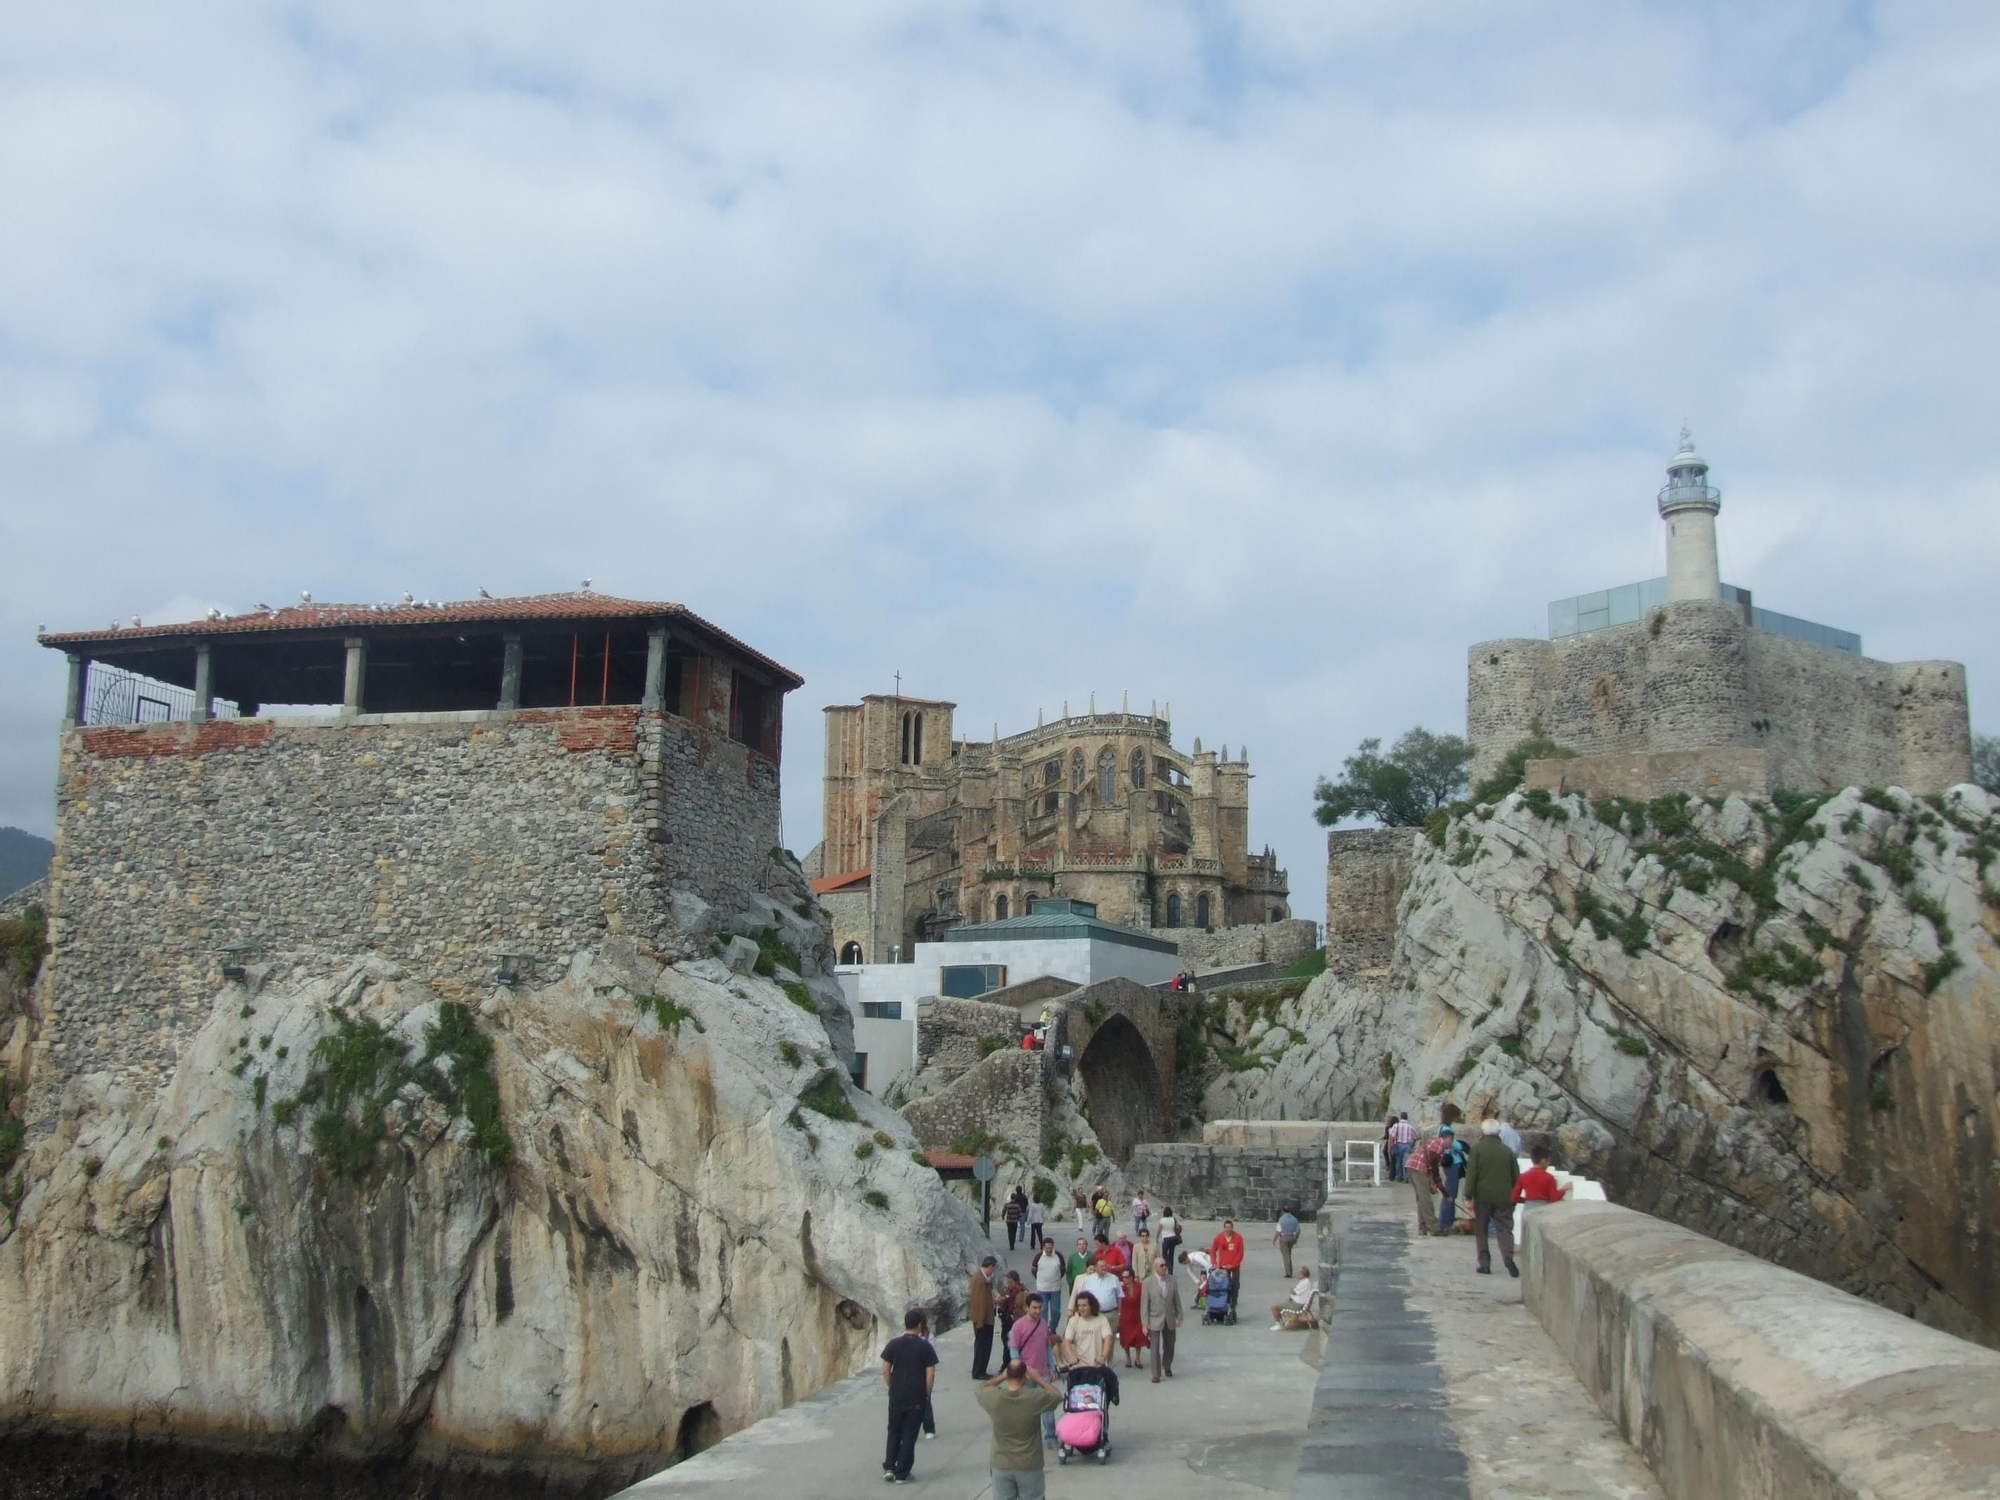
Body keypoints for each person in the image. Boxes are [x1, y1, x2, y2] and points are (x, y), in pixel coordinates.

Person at [976, 1355, 1065, 1499]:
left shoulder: (995, 1398)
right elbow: (1057, 1396)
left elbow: (980, 1389)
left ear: (1008, 1374)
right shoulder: (1033, 1398)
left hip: (1001, 1463)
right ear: (1025, 1376)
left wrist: (1001, 1377)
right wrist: (1039, 1378)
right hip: (1029, 1464)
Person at [881, 1307, 938, 1484]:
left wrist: (893, 1386)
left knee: (894, 1432)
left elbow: (885, 1370)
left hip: (897, 1396)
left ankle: (889, 1467)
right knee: (909, 1435)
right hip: (916, 1397)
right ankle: (902, 1473)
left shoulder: (893, 1344)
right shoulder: (925, 1347)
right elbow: (931, 1373)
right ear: (920, 1325)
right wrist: (927, 1393)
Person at [1464, 1118, 1521, 1276]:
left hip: (1482, 1197)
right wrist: (1515, 1196)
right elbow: (1517, 1177)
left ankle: (1485, 1264)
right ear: (1498, 1133)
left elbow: (1471, 1175)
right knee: (1504, 1228)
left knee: (1481, 1230)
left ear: (1483, 1132)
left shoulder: (1477, 1149)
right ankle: (1508, 1258)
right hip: (1504, 1197)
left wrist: (1468, 1196)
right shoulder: (1507, 1151)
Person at [1008, 1293, 1060, 1450]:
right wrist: (1020, 1372)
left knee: (1048, 1409)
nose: (1038, 1311)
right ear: (1026, 1308)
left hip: (1043, 1373)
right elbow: (1014, 1350)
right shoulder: (1018, 1326)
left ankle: (1051, 1436)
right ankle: (1027, 1439)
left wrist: (1052, 1368)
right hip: (1026, 1376)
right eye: (1034, 1308)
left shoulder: (1043, 1324)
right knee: (1027, 1410)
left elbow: (1047, 1347)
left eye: (1040, 1307)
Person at [1513, 1145, 1571, 1263]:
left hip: (1528, 1208)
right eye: (1548, 1161)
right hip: (1543, 1209)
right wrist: (1564, 1189)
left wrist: (1526, 1200)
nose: (1549, 1163)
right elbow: (1554, 1198)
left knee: (1529, 1240)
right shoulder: (1549, 1178)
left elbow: (1513, 1197)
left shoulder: (1523, 1176)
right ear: (1543, 1161)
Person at [1141, 1254, 1182, 1382]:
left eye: (1165, 1265)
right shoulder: (1147, 1282)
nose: (1165, 1267)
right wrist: (1144, 1323)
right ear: (1155, 1268)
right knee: (1154, 1347)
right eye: (1162, 1265)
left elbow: (1177, 1299)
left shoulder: (1172, 1280)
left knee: (1170, 1345)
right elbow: (1144, 1304)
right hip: (1154, 1318)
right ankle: (1156, 1373)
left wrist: (1179, 1315)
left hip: (1169, 1317)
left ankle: (1167, 1365)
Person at [1060, 1290, 1114, 1369]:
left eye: (1084, 1305)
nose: (1081, 1308)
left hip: (1097, 1365)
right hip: (1079, 1366)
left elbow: (1108, 1338)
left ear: (1091, 1306)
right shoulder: (1073, 1321)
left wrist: (1103, 1356)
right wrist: (1072, 1356)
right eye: (1079, 1305)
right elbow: (1067, 1341)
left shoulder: (1101, 1319)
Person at [1209, 1217, 1246, 1313]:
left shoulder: (1238, 1238)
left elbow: (1240, 1253)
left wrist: (1233, 1265)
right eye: (1226, 1227)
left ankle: (1233, 1304)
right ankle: (1222, 1302)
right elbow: (1213, 1250)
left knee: (1235, 1285)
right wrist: (1214, 1263)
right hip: (1223, 1267)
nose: (1228, 1229)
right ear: (1224, 1228)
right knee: (1222, 1285)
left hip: (1234, 1267)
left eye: (1230, 1227)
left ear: (1232, 1228)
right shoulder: (1219, 1238)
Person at [1436, 1125, 1467, 1235]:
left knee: (1451, 1194)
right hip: (1452, 1166)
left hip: (1451, 1166)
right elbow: (1458, 1147)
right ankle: (1445, 1223)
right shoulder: (1446, 1129)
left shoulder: (1441, 1127)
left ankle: (1447, 1221)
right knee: (1450, 1195)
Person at [1115, 1267, 1150, 1367]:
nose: (1124, 1279)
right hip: (1125, 1316)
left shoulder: (1140, 1286)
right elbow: (1118, 1301)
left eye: (1126, 1277)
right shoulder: (1121, 1288)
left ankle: (1138, 1358)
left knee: (1138, 1337)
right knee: (1126, 1338)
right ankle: (1128, 1358)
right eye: (1123, 1277)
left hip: (1137, 1314)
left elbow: (1144, 1299)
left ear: (1132, 1277)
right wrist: (1119, 1313)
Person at [970, 1254, 999, 1376]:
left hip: (984, 1318)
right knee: (982, 1347)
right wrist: (981, 1322)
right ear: (990, 1266)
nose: (994, 1271)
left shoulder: (983, 1278)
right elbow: (979, 1301)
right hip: (983, 1320)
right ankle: (978, 1371)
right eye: (994, 1268)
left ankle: (981, 1369)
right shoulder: (980, 1280)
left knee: (984, 1346)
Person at [1032, 1241, 1066, 1332]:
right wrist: (1040, 1280)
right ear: (1043, 1247)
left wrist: (1057, 1279)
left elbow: (1063, 1269)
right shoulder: (1038, 1257)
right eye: (1047, 1248)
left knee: (1056, 1311)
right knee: (1043, 1310)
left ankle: (1053, 1327)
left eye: (1050, 1248)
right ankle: (1044, 1329)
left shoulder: (1058, 1256)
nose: (1049, 1250)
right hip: (1042, 1289)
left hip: (1055, 1289)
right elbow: (1034, 1270)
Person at [918, 1313, 940, 1441]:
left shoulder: (928, 1337)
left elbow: (933, 1356)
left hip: (924, 1372)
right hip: (911, 1373)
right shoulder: (905, 1337)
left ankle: (929, 1428)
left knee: (925, 1400)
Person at [999, 1269, 1026, 1348]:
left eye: (1011, 1282)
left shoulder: (1022, 1293)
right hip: (1007, 1320)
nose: (1009, 1285)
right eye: (1008, 1282)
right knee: (1005, 1340)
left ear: (1017, 1282)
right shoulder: (1007, 1291)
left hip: (1017, 1321)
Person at [1389, 1112, 1419, 1182]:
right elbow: (1417, 1136)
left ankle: (1399, 1177)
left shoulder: (1396, 1126)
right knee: (1406, 1162)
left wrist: (1391, 1146)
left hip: (1398, 1145)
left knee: (1398, 1162)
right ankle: (1406, 1177)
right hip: (1407, 1145)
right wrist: (1412, 1143)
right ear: (1407, 1118)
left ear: (1401, 1117)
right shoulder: (1410, 1127)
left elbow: (1391, 1136)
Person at [1273, 1206, 1301, 1277]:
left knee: (1286, 1255)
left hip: (1284, 1237)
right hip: (1292, 1237)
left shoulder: (1281, 1219)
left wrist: (1274, 1239)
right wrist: (1296, 1238)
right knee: (1289, 1253)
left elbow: (1278, 1231)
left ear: (1283, 1211)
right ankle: (1290, 1269)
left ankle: (1288, 1272)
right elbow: (1298, 1230)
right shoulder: (1294, 1219)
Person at [1156, 1205, 1181, 1271]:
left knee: (1164, 1254)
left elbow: (1159, 1229)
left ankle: (1168, 1265)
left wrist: (1157, 1237)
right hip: (1173, 1237)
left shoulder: (1162, 1220)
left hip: (1165, 1238)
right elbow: (1177, 1227)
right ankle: (1171, 1269)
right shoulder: (1173, 1219)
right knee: (1171, 1254)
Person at [1003, 1186, 1027, 1251]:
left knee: (1009, 1232)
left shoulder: (1007, 1205)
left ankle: (1011, 1243)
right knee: (1018, 1229)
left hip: (1009, 1220)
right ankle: (1020, 1238)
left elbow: (1004, 1210)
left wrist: (1003, 1216)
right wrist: (1018, 1216)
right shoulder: (1023, 1198)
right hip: (1017, 1218)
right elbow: (1022, 1208)